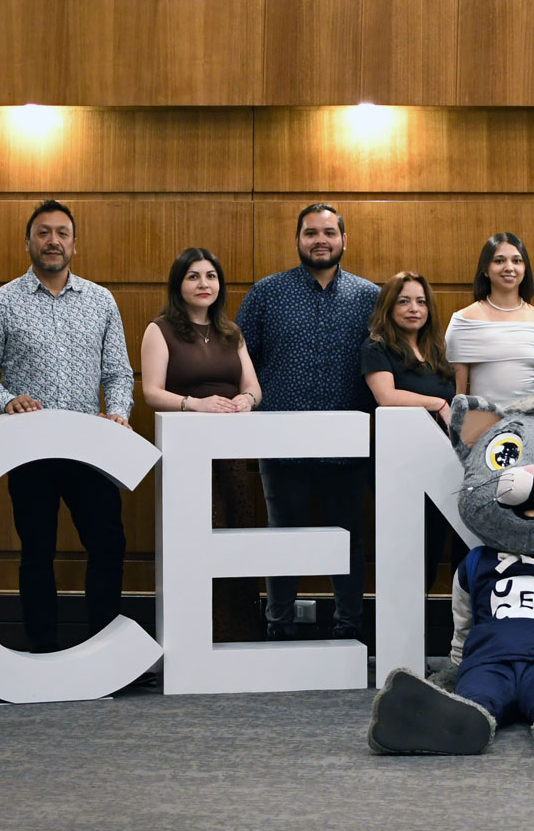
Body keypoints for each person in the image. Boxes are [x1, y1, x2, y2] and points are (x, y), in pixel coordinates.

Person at [0, 198, 134, 654]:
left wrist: (118, 412)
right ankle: (42, 651)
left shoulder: (101, 301)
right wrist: (7, 400)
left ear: (75, 244)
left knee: (108, 544)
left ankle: (104, 651)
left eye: (62, 233)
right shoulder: (2, 302)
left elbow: (118, 373)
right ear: (28, 242)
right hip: (29, 450)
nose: (52, 240)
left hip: (89, 448)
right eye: (43, 233)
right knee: (37, 551)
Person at [236, 203, 380, 642]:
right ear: (298, 239)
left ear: (343, 239)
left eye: (329, 232)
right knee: (283, 537)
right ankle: (278, 627)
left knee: (348, 539)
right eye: (311, 232)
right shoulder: (266, 294)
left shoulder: (371, 298)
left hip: (348, 446)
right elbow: (240, 361)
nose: (321, 240)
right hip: (281, 442)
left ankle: (349, 630)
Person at [138, 246, 264, 642]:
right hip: (187, 454)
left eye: (210, 276)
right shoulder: (160, 330)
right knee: (202, 538)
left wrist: (247, 399)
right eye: (193, 276)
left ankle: (241, 635)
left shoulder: (231, 333)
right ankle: (200, 637)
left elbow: (253, 386)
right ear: (179, 284)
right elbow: (151, 392)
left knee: (238, 538)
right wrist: (195, 404)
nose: (203, 283)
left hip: (232, 453)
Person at [361, 271, 464, 590]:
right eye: (404, 301)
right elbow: (386, 396)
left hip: (437, 460)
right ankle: (397, 618)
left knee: (433, 543)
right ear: (389, 307)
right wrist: (437, 403)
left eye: (420, 302)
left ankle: (422, 615)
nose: (414, 309)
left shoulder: (436, 349)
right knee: (405, 546)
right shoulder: (377, 347)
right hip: (396, 463)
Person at [445, 233, 534, 405]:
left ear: (525, 268)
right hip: (485, 418)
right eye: (499, 261)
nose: (509, 267)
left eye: (517, 261)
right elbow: (457, 395)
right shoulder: (464, 320)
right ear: (485, 269)